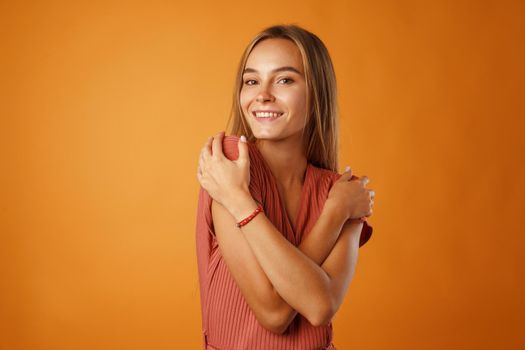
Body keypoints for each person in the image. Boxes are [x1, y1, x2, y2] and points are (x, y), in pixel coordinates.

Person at [195, 24, 375, 350]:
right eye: (251, 81)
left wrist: (335, 208)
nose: (263, 94)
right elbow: (274, 313)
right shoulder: (231, 166)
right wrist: (333, 216)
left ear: (316, 92)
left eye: (285, 80)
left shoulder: (342, 192)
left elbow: (320, 308)